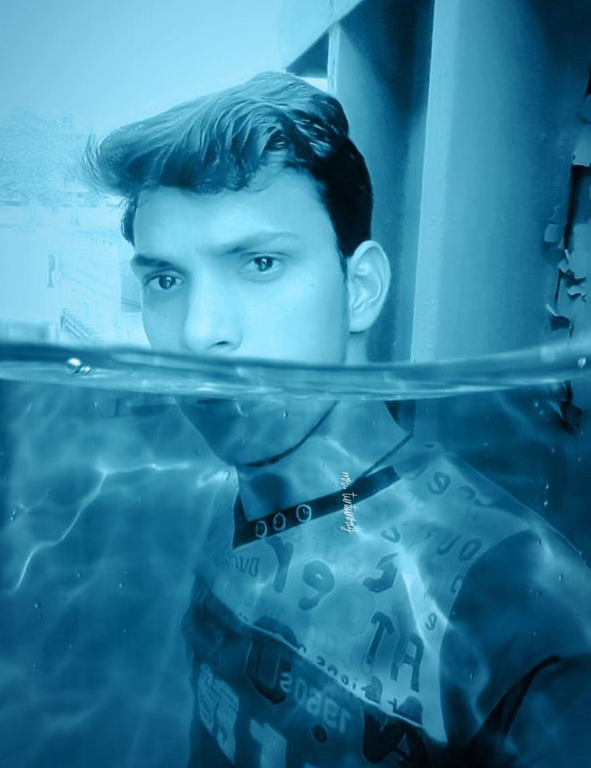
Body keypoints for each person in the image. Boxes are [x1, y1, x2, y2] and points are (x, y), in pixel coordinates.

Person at [85, 72, 591, 767]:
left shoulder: (522, 604)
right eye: (165, 279)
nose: (199, 333)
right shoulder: (227, 506)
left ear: (361, 289)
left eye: (261, 262)